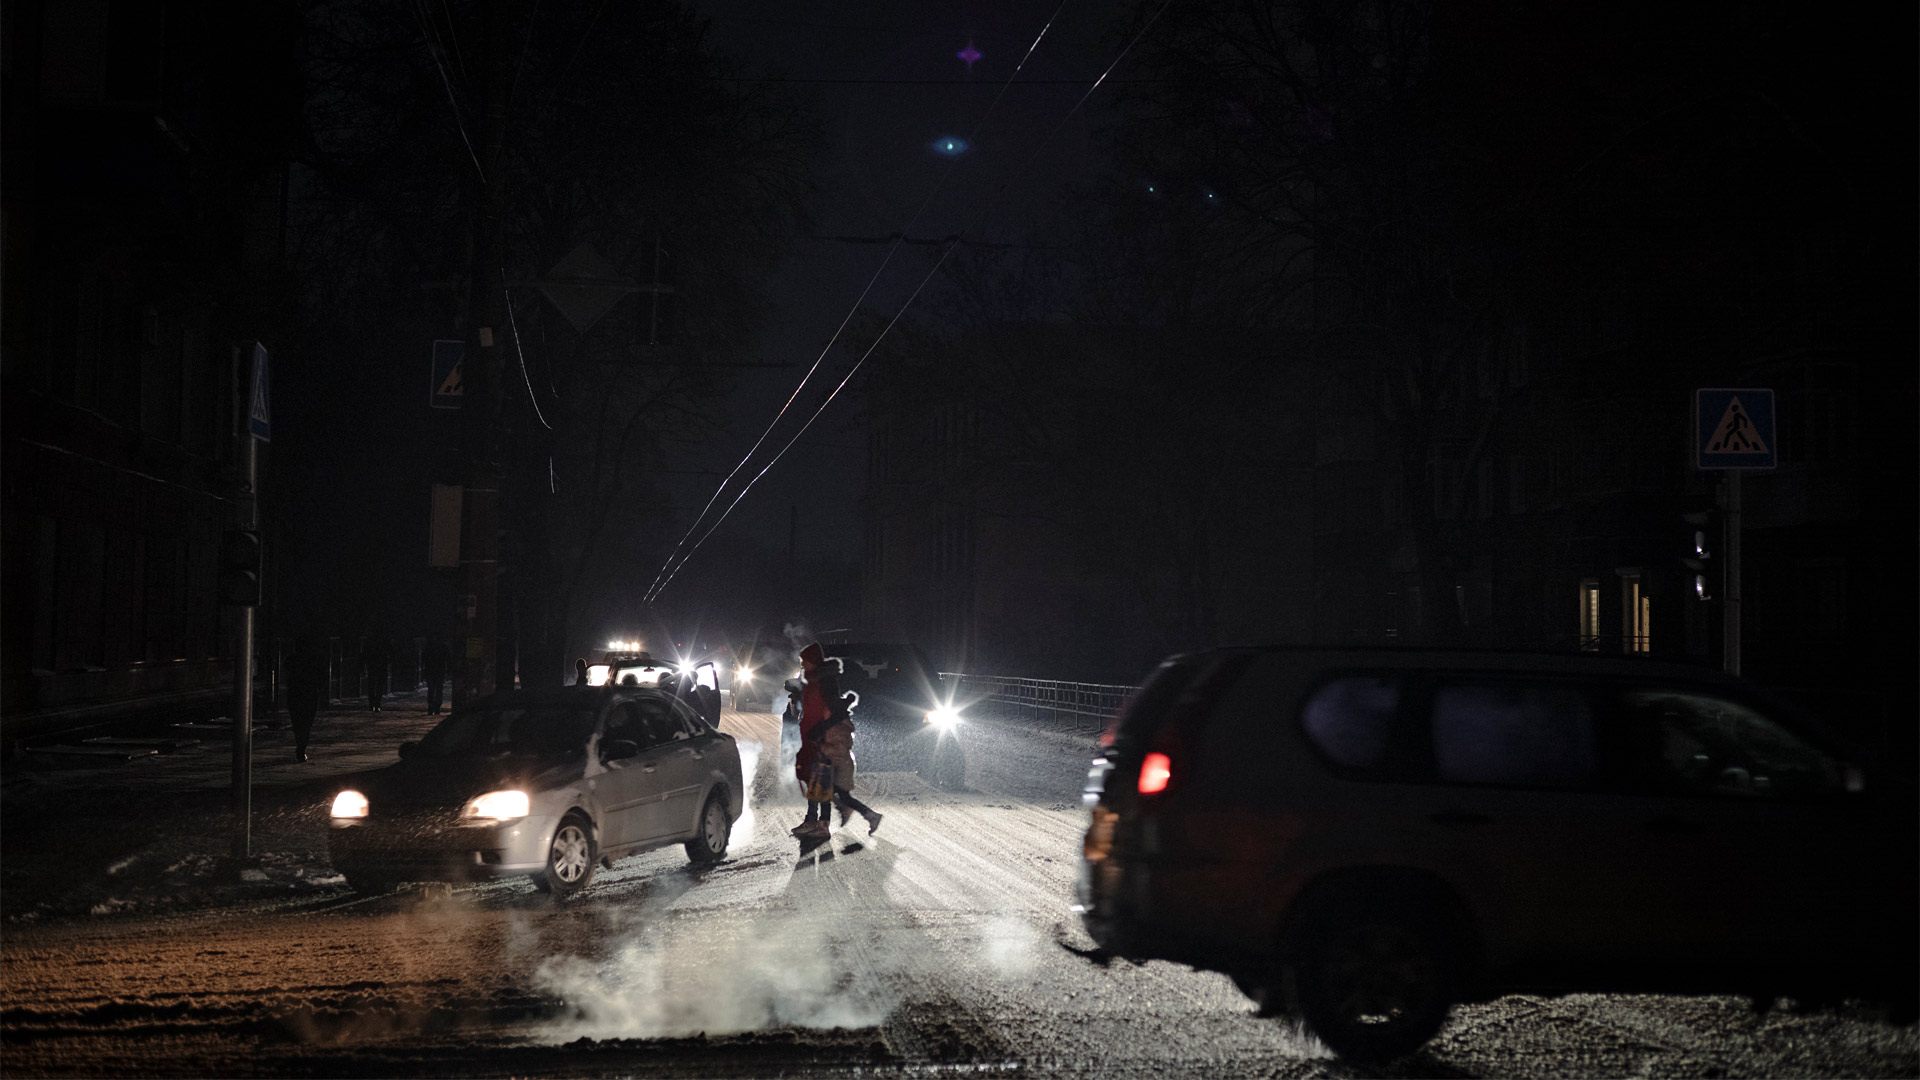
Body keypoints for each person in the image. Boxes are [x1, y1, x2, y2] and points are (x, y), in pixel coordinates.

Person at [820, 684, 882, 836]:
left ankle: (869, 815)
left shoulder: (840, 726)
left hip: (840, 764)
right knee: (835, 794)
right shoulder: (838, 723)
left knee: (840, 795)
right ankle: (856, 811)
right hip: (836, 763)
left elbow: (838, 749)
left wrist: (821, 747)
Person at [792, 644, 837, 838]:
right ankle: (815, 820)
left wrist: (821, 732)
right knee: (814, 777)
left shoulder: (825, 681)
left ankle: (820, 822)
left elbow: (831, 710)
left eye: (805, 661)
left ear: (813, 660)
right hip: (811, 736)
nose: (803, 664)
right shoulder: (812, 680)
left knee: (821, 778)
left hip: (821, 738)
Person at [285, 635, 326, 762]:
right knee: (307, 722)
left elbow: (287, 670)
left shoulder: (292, 659)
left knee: (297, 722)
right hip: (309, 693)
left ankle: (300, 746)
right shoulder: (314, 660)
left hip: (295, 693)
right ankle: (302, 747)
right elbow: (321, 677)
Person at [421, 637, 450, 715]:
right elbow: (448, 659)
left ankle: (431, 706)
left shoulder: (428, 647)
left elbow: (423, 658)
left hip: (430, 670)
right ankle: (437, 707)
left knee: (431, 689)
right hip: (440, 671)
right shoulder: (443, 647)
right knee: (439, 689)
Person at [363, 636, 389, 712]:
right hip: (380, 665)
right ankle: (377, 703)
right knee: (378, 685)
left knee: (372, 685)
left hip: (372, 665)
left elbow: (365, 653)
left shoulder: (370, 641)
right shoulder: (383, 641)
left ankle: (372, 704)